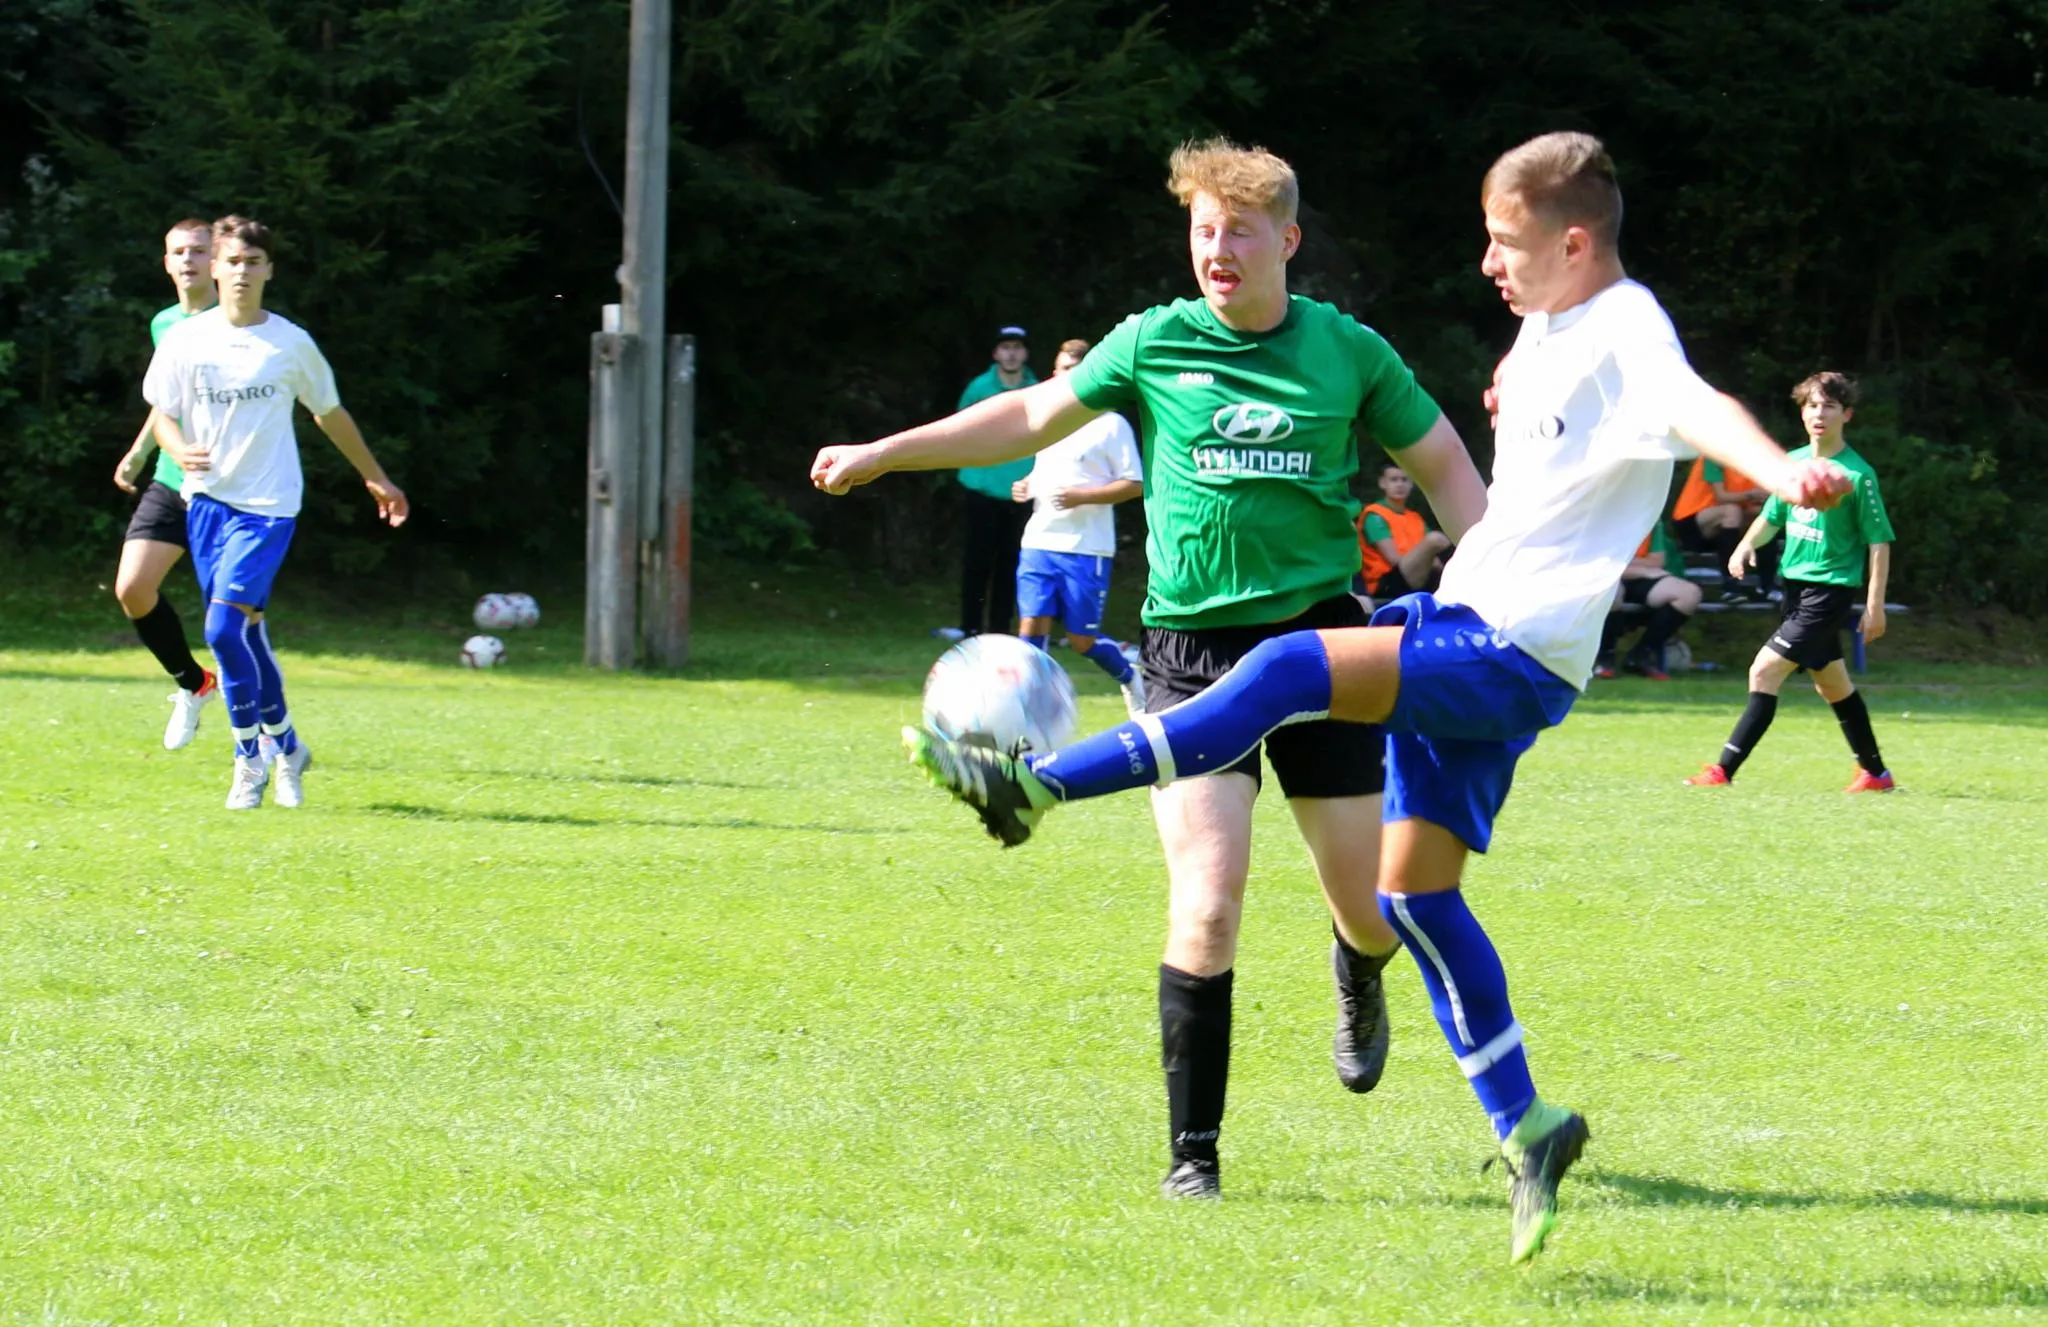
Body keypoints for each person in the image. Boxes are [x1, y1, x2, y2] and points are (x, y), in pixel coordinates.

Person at [895, 132, 1852, 1262]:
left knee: (1287, 668)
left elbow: (1694, 404)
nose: (1488, 263)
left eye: (1505, 242)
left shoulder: (1625, 326)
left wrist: (1781, 469)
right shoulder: (1548, 328)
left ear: (1573, 243)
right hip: (1466, 627)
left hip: (1507, 648)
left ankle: (1036, 786)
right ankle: (1531, 1129)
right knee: (1411, 898)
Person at [814, 139, 1490, 1203]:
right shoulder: (1151, 342)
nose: (1218, 250)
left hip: (1322, 649)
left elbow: (1443, 462)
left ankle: (1357, 964)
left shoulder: (1348, 351)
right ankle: (1193, 1158)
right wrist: (886, 451)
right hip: (1190, 653)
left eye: (1240, 232)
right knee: (1207, 904)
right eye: (1203, 231)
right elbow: (1027, 416)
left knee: (1371, 910)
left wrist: (1499, 594)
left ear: (1287, 240)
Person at [143, 215, 409, 809]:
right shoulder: (186, 340)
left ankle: (249, 760)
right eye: (232, 262)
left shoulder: (290, 343)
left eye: (253, 263)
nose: (242, 272)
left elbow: (328, 412)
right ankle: (286, 746)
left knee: (220, 630)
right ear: (216, 268)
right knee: (245, 633)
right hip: (206, 502)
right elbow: (163, 414)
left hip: (268, 508)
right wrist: (176, 448)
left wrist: (375, 476)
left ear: (270, 270)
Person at [1686, 371, 1896, 791]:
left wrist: (1875, 607)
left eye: (1829, 406)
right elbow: (1772, 516)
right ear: (1802, 412)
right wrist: (1745, 545)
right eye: (1812, 405)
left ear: (1846, 415)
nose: (1819, 414)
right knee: (1832, 684)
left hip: (1830, 591)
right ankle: (1876, 774)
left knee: (1763, 671)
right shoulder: (1793, 464)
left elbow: (1879, 542)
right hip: (1795, 590)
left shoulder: (1857, 475)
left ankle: (1723, 770)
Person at [113, 218, 221, 749]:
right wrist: (140, 454)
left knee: (234, 621)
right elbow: (165, 402)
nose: (188, 260)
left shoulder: (239, 324)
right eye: (179, 252)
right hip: (172, 480)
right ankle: (194, 683)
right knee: (132, 589)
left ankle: (271, 735)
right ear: (166, 262)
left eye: (198, 251)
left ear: (216, 261)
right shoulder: (165, 324)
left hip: (228, 489)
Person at [1011, 338, 1147, 714]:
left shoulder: (1111, 424)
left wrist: (1081, 497)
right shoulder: (1048, 422)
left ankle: (1132, 678)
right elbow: (1045, 474)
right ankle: (1031, 708)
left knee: (1080, 640)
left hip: (1086, 547)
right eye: (1062, 370)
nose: (1066, 377)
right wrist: (1026, 485)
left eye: (1075, 370)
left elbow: (1134, 484)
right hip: (1039, 541)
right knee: (1031, 626)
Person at [941, 326, 1038, 640]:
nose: (1011, 353)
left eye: (1017, 347)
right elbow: (958, 429)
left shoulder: (1036, 389)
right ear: (996, 353)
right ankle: (970, 627)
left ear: (1025, 353)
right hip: (981, 487)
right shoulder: (980, 388)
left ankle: (1000, 630)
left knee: (1012, 563)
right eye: (1005, 347)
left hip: (1021, 490)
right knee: (977, 561)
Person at [1594, 518, 1701, 679]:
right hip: (1605, 577)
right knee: (1611, 594)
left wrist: (1621, 562)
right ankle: (1605, 657)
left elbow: (1656, 561)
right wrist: (1641, 569)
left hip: (1640, 576)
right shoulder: (1599, 516)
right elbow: (1595, 561)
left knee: (1689, 594)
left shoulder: (1650, 516)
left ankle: (1641, 655)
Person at [1671, 455, 1773, 600]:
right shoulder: (1713, 457)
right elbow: (1721, 496)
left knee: (1765, 516)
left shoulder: (1756, 459)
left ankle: (1768, 586)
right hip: (1693, 522)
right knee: (1731, 511)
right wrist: (1752, 495)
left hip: (1729, 525)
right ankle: (1730, 586)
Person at [1355, 460, 1452, 603]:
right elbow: (1393, 559)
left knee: (1438, 547)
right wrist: (1429, 562)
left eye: (1404, 480)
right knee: (1435, 539)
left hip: (1417, 575)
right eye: (1394, 480)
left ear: (1411, 484)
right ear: (1383, 483)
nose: (1400, 485)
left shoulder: (1415, 518)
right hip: (1387, 582)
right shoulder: (1375, 515)